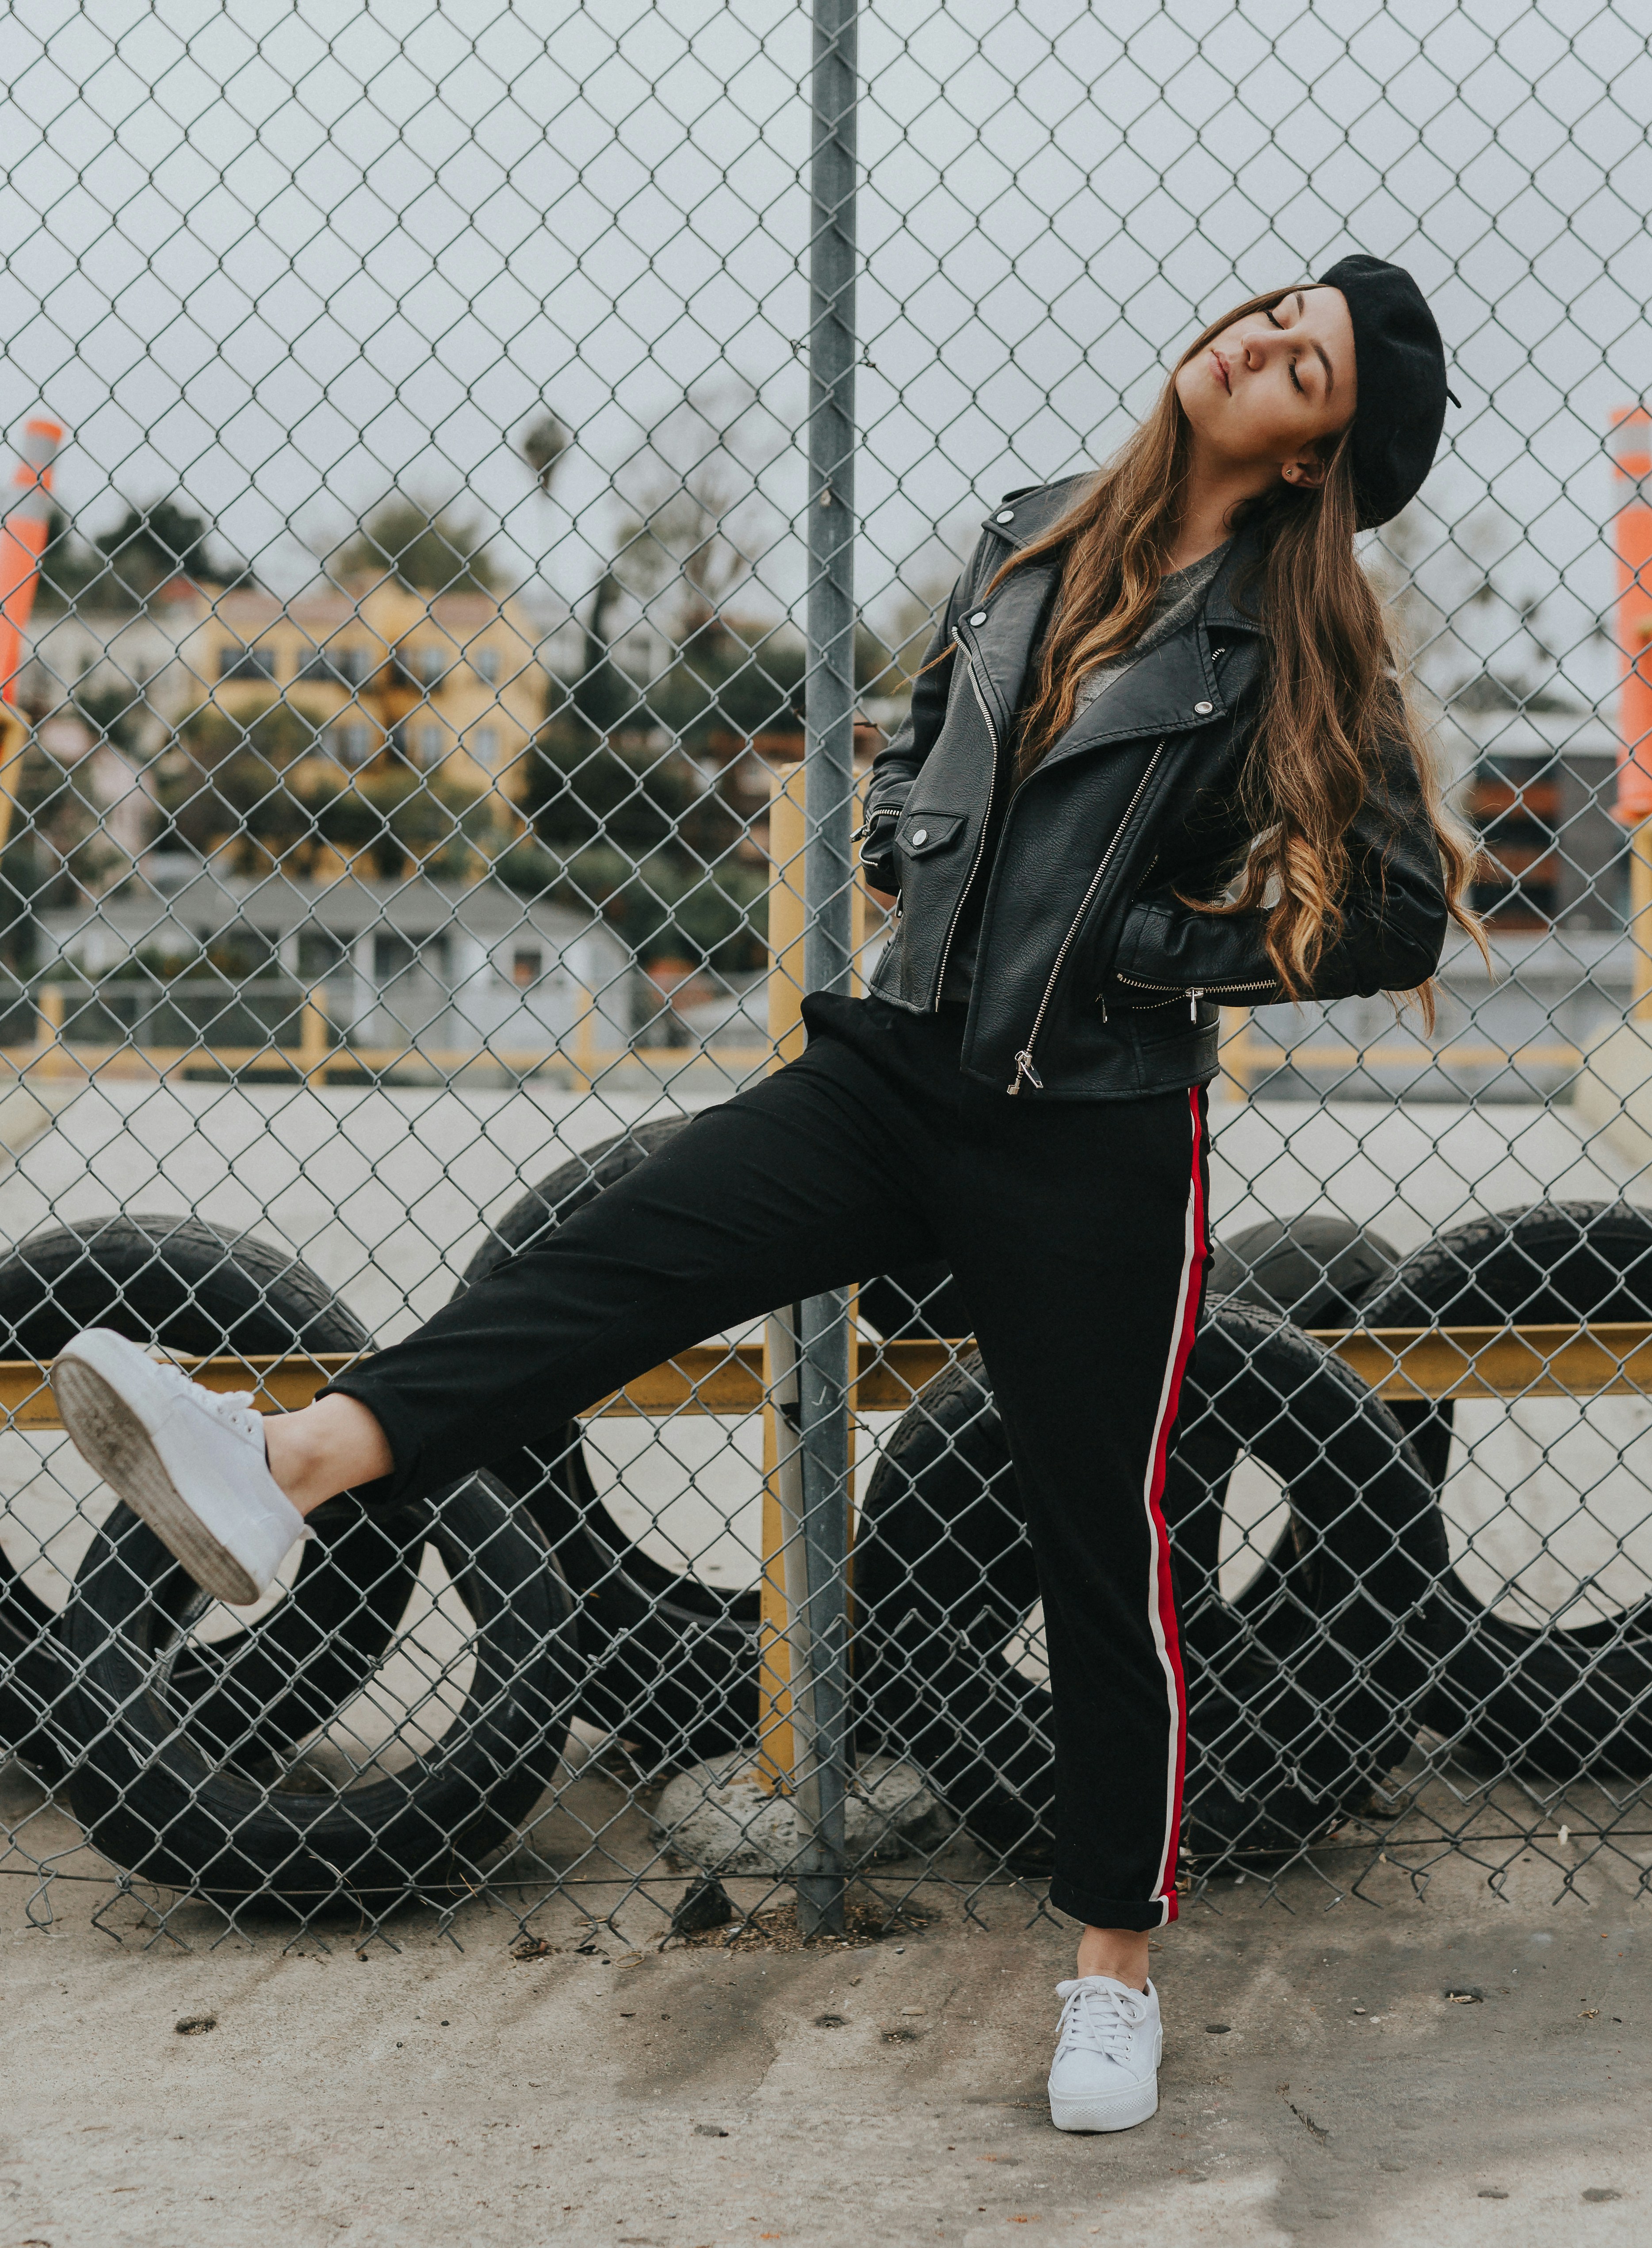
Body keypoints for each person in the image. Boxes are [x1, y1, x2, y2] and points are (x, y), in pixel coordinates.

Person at [50, 253, 1477, 2135]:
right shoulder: (1031, 534)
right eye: (1269, 312)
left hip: (1090, 1134)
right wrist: (905, 845)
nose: (1258, 341)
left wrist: (1141, 954)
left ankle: (1112, 1967)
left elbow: (1392, 907)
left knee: (1099, 1545)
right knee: (607, 1260)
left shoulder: (1295, 633)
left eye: (1304, 362)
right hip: (892, 1067)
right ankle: (285, 1465)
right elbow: (921, 751)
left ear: (1318, 453)